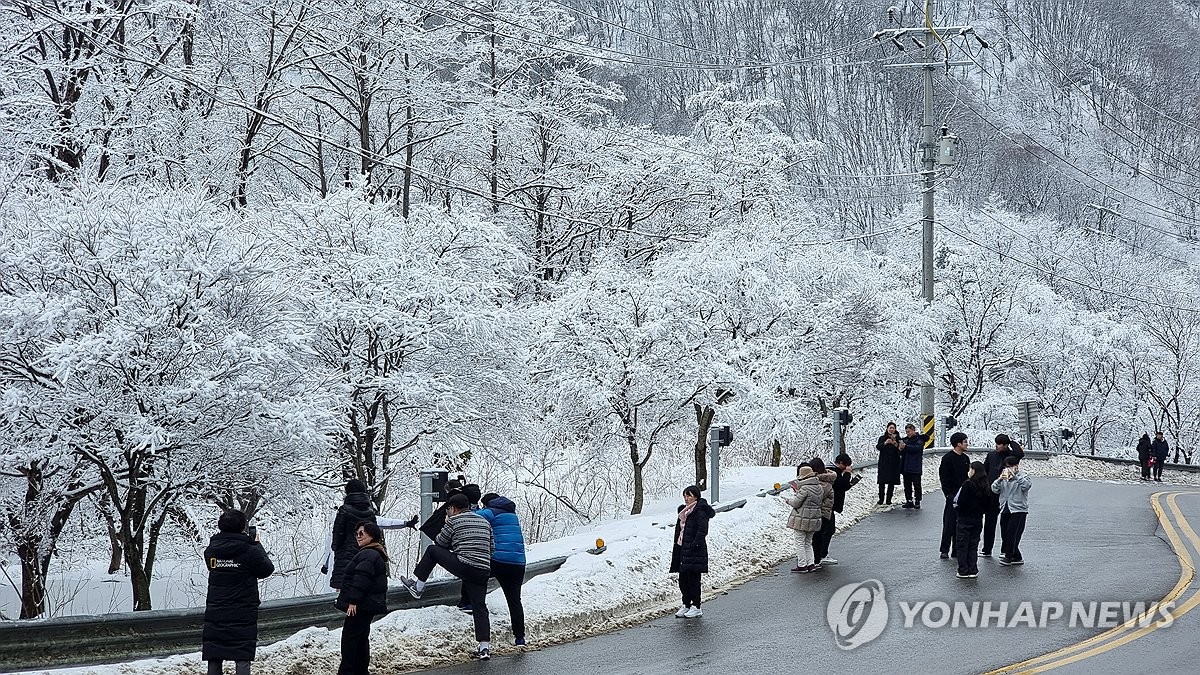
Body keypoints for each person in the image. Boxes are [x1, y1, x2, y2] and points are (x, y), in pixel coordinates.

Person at [401, 493, 495, 660]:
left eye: (448, 510)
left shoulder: (453, 520)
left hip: (464, 565)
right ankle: (484, 647)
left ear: (452, 508)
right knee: (480, 607)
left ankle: (418, 586)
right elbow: (491, 548)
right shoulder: (484, 521)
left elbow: (440, 543)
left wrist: (447, 526)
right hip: (483, 569)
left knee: (431, 550)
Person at [202, 510, 274, 675]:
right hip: (243, 611)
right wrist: (256, 544)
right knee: (242, 654)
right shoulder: (250, 550)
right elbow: (267, 570)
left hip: (216, 610)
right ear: (242, 527)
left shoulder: (211, 550)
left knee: (214, 652)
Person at [336, 521, 389, 675]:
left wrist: (353, 601)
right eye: (356, 534)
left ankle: (347, 672)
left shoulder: (369, 554)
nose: (358, 537)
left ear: (371, 536)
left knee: (350, 639)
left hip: (361, 605)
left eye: (362, 533)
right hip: (367, 604)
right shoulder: (373, 552)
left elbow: (362, 578)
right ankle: (360, 671)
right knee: (360, 639)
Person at [478, 492, 529, 644]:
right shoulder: (512, 514)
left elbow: (472, 516)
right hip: (518, 563)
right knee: (515, 601)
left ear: (487, 504)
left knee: (475, 577)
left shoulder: (491, 511)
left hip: (499, 561)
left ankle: (467, 603)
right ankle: (520, 638)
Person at [670, 485, 715, 618]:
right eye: (685, 495)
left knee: (693, 579)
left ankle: (696, 606)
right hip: (682, 548)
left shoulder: (700, 511)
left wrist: (694, 544)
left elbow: (702, 531)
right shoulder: (684, 512)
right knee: (683, 579)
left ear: (696, 496)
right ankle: (686, 604)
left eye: (689, 495)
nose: (686, 498)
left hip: (695, 550)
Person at [981, 434, 1024, 556]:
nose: (997, 446)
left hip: (1007, 493)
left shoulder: (1012, 455)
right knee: (990, 521)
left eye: (999, 444)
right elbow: (986, 470)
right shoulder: (991, 455)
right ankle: (987, 549)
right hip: (993, 491)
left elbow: (1020, 453)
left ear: (1005, 445)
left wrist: (1011, 441)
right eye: (996, 443)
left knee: (1006, 523)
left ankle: (1005, 549)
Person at [992, 456, 1033, 566]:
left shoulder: (1023, 476)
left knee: (1013, 533)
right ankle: (1017, 556)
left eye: (1011, 466)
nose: (1008, 469)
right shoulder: (1004, 478)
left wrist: (1015, 477)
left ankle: (1008, 556)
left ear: (1016, 466)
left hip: (1019, 509)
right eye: (1007, 467)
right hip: (1005, 508)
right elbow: (994, 489)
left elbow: (1027, 486)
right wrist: (1000, 479)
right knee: (1005, 533)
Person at [953, 461, 990, 579]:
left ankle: (963, 570)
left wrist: (958, 510)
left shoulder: (968, 484)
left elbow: (961, 502)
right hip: (978, 519)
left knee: (962, 545)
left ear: (973, 470)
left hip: (964, 518)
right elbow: (988, 504)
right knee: (973, 545)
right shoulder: (985, 485)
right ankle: (973, 569)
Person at [938, 432, 971, 560]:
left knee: (961, 523)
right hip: (952, 495)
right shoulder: (948, 458)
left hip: (963, 496)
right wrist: (947, 493)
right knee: (949, 523)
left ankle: (956, 549)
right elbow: (944, 477)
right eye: (965, 442)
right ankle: (944, 549)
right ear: (958, 444)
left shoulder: (965, 459)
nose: (967, 444)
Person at [786, 466, 824, 573]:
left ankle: (802, 565)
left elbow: (796, 503)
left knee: (799, 542)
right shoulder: (819, 487)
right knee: (808, 543)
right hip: (814, 518)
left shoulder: (804, 489)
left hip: (802, 519)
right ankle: (811, 564)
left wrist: (789, 500)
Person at [826, 453, 862, 565]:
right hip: (827, 506)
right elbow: (839, 485)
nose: (847, 468)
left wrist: (850, 483)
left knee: (829, 530)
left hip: (830, 505)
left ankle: (821, 553)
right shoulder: (832, 472)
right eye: (846, 466)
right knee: (828, 530)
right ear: (840, 463)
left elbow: (842, 486)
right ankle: (821, 554)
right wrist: (847, 474)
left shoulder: (835, 471)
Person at [809, 458, 837, 567]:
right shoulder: (826, 480)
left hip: (822, 512)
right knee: (818, 535)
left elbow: (817, 496)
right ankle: (817, 557)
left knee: (817, 536)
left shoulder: (824, 483)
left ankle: (817, 559)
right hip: (825, 512)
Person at [899, 423, 928, 509]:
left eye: (909, 431)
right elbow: (902, 452)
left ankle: (917, 500)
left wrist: (906, 447)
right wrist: (900, 449)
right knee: (907, 485)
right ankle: (909, 500)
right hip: (906, 466)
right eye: (906, 432)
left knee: (917, 485)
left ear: (913, 430)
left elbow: (917, 449)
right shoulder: (905, 440)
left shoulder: (919, 440)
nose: (907, 433)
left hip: (915, 466)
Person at [875, 422, 903, 505]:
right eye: (890, 428)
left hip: (894, 463)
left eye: (893, 428)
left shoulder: (898, 439)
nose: (891, 430)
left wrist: (896, 445)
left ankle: (888, 499)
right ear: (887, 428)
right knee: (881, 481)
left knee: (891, 482)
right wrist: (885, 443)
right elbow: (878, 447)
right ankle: (881, 499)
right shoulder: (882, 438)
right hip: (884, 463)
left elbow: (901, 450)